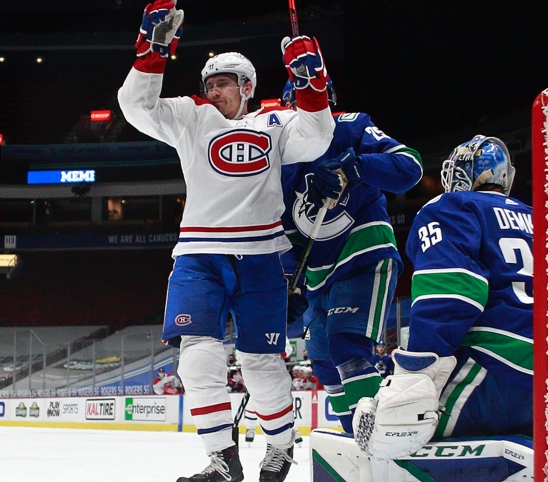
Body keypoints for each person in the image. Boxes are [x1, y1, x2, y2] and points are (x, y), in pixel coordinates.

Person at [118, 2, 335, 481]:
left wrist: (311, 83)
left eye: (224, 83)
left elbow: (319, 138)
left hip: (262, 257)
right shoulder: (192, 117)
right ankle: (222, 459)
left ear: (248, 88)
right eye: (209, 83)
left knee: (260, 364)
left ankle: (280, 448)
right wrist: (152, 52)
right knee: (196, 358)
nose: (212, 90)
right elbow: (136, 106)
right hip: (198, 255)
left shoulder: (276, 123)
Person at [353, 135, 533, 460]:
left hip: (495, 368)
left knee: (397, 444)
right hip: (540, 377)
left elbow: (452, 292)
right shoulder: (537, 218)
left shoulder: (453, 206)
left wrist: (418, 368)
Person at [280, 79, 423, 434]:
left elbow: (410, 167)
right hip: (317, 276)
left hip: (362, 256)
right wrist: (289, 283)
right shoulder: (280, 157)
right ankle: (354, 445)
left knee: (348, 346)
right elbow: (284, 230)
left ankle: (377, 445)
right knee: (325, 363)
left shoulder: (352, 126)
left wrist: (356, 167)